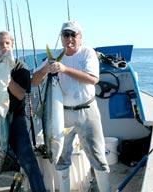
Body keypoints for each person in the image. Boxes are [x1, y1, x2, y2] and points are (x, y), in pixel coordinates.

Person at [32, 21, 111, 192]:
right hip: (61, 115)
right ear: (61, 38)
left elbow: (93, 79)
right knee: (61, 157)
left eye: (72, 35)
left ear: (80, 37)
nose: (69, 39)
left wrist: (64, 68)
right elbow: (34, 81)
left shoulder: (87, 53)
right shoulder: (53, 56)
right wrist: (46, 69)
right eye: (65, 35)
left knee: (97, 155)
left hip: (87, 112)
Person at [0, 31, 46, 192]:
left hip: (15, 118)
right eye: (0, 44)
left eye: (7, 43)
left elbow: (20, 94)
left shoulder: (20, 67)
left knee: (28, 159)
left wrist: (5, 78)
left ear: (12, 46)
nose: (4, 46)